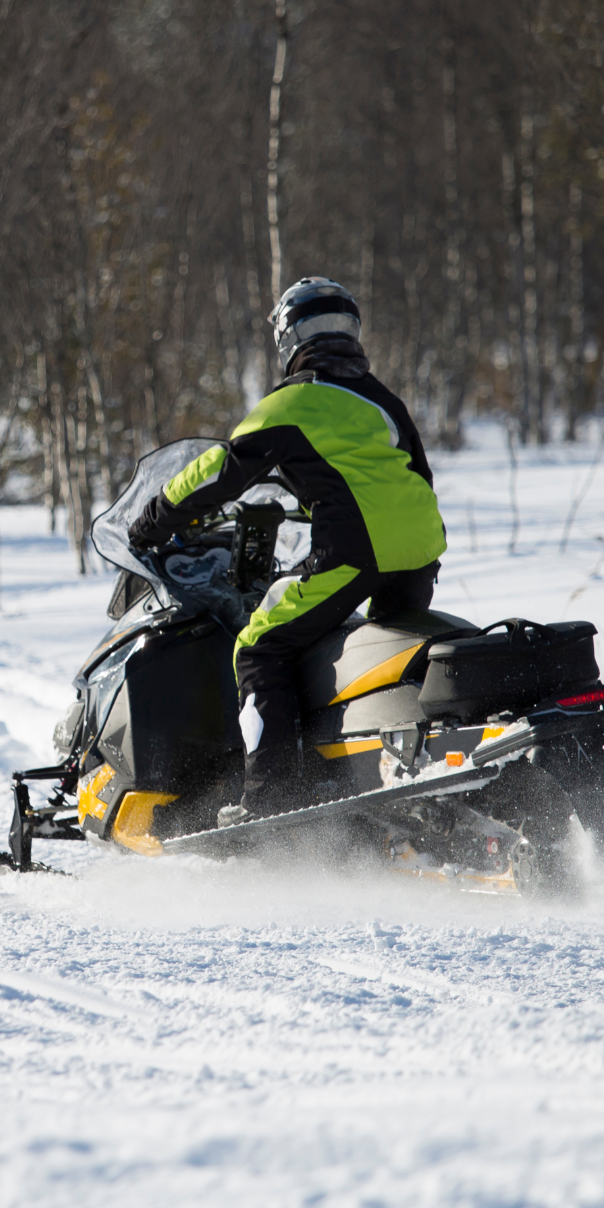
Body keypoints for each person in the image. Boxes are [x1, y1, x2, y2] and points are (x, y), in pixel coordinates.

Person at [128, 277, 447, 824]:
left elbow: (220, 472)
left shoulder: (292, 402)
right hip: (419, 545)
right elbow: (409, 475)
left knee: (260, 646)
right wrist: (316, 504)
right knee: (383, 660)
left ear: (288, 339)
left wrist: (154, 519)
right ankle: (386, 770)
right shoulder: (382, 400)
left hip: (354, 549)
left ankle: (271, 801)